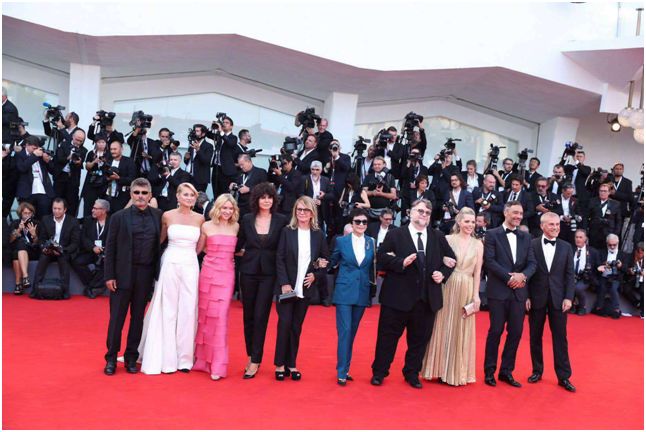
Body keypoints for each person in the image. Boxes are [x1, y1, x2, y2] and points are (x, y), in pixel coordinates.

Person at [371, 198, 456, 389]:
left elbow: (451, 259)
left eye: (427, 212)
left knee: (419, 340)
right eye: (420, 211)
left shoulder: (437, 236)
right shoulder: (395, 234)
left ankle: (412, 372)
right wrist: (401, 262)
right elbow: (381, 258)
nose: (424, 215)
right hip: (397, 298)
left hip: (427, 299)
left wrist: (442, 273)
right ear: (410, 212)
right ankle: (379, 372)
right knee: (387, 338)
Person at [138, 183, 204, 375]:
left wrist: (189, 256)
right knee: (168, 308)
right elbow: (159, 240)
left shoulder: (200, 218)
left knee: (188, 309)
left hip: (190, 264)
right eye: (186, 194)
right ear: (178, 196)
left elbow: (200, 246)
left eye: (192, 195)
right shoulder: (167, 215)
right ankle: (166, 358)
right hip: (170, 262)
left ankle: (184, 359)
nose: (189, 198)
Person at [103, 178, 163, 376]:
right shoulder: (118, 217)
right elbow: (110, 248)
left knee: (138, 319)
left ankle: (131, 357)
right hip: (121, 275)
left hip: (145, 275)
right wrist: (109, 275)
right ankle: (111, 358)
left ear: (150, 195)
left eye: (144, 193)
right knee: (116, 319)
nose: (140, 196)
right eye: (136, 192)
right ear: (131, 194)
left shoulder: (158, 216)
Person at [422, 207, 483, 386]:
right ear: (458, 222)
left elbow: (477, 272)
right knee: (442, 324)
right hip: (447, 285)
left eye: (473, 222)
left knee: (461, 327)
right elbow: (435, 259)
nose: (470, 225)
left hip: (466, 287)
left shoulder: (478, 244)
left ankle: (456, 372)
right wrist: (442, 261)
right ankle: (439, 369)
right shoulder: (448, 239)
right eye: (467, 221)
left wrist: (476, 296)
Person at [274, 196, 329, 381]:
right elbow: (279, 258)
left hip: (305, 288)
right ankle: (280, 364)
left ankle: (291, 364)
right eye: (299, 209)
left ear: (312, 213)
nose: (302, 213)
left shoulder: (319, 235)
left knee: (296, 326)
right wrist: (284, 283)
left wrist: (316, 275)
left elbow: (325, 261)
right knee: (284, 324)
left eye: (306, 210)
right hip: (287, 288)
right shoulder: (287, 231)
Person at [483, 200, 537, 388]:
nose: (518, 217)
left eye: (520, 213)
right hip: (498, 291)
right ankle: (489, 371)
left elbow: (532, 263)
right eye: (515, 213)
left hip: (519, 293)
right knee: (496, 331)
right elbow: (490, 261)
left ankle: (506, 371)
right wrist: (510, 278)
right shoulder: (492, 234)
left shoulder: (526, 237)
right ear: (506, 213)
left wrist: (522, 276)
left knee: (515, 333)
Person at [236, 183, 287, 379]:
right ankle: (251, 355)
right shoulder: (247, 219)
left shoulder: (281, 220)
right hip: (248, 272)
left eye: (269, 197)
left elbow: (285, 247)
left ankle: (256, 359)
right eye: (262, 197)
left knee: (260, 316)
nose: (266, 201)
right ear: (256, 200)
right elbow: (238, 243)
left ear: (274, 200)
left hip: (269, 274)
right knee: (248, 316)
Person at [526, 212, 576, 392]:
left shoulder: (566, 247)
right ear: (542, 226)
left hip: (559, 299)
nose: (555, 228)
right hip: (536, 297)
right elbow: (526, 272)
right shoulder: (531, 245)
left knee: (560, 338)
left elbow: (570, 275)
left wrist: (569, 297)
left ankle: (564, 376)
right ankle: (537, 370)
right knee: (535, 336)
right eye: (551, 224)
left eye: (557, 224)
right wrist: (526, 296)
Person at [193, 194, 240, 380]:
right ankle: (203, 361)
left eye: (230, 208)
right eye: (224, 208)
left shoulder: (236, 227)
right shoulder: (206, 226)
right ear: (217, 208)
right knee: (205, 317)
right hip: (208, 274)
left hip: (226, 275)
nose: (227, 211)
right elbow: (198, 250)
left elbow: (239, 250)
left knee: (220, 317)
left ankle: (218, 365)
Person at [329, 208, 375, 385]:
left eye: (364, 222)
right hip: (344, 292)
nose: (361, 224)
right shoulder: (341, 241)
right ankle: (341, 371)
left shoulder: (371, 242)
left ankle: (345, 369)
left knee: (352, 332)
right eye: (358, 221)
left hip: (362, 292)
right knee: (345, 331)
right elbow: (332, 261)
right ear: (352, 223)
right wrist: (321, 264)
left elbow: (372, 266)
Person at [30, 198, 80, 299]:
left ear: (65, 209)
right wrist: (44, 248)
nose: (56, 211)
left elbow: (75, 243)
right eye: (54, 208)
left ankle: (65, 292)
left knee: (64, 260)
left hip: (64, 250)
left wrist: (62, 250)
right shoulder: (46, 219)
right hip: (49, 249)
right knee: (42, 259)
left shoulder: (73, 221)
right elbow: (42, 238)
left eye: (59, 209)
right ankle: (35, 291)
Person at [71, 198, 110, 299]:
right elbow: (83, 238)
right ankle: (93, 285)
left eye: (96, 208)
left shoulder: (112, 222)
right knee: (76, 261)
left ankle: (91, 288)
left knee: (108, 265)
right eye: (93, 208)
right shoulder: (88, 220)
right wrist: (93, 247)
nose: (92, 210)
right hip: (91, 251)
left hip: (106, 253)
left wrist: (105, 249)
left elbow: (114, 239)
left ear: (104, 211)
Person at [15, 135, 55, 218]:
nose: (35, 150)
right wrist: (34, 156)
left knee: (44, 216)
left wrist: (47, 161)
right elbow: (22, 168)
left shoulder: (41, 154)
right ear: (27, 145)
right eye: (33, 148)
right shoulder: (20, 155)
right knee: (27, 217)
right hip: (27, 191)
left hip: (43, 190)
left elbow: (53, 171)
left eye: (37, 148)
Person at [53, 128, 87, 217]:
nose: (78, 142)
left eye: (81, 141)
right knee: (57, 199)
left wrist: (78, 162)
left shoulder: (84, 150)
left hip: (73, 178)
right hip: (61, 176)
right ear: (73, 136)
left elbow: (80, 164)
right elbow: (59, 159)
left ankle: (70, 222)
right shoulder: (63, 144)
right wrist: (69, 157)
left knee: (72, 202)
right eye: (77, 139)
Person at [592, 233, 627, 319]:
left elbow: (626, 269)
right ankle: (599, 308)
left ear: (618, 243)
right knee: (602, 287)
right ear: (607, 243)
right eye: (610, 245)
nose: (612, 247)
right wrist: (602, 265)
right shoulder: (601, 252)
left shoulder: (622, 254)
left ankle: (616, 309)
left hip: (616, 277)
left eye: (614, 245)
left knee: (613, 289)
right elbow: (597, 264)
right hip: (604, 276)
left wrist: (620, 266)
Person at [8, 202, 39, 295]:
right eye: (25, 213)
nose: (27, 215)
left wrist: (34, 235)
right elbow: (10, 240)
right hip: (19, 252)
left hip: (33, 251)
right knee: (17, 251)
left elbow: (38, 243)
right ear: (20, 214)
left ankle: (20, 282)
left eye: (29, 213)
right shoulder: (15, 223)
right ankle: (23, 280)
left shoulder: (36, 223)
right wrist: (19, 229)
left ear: (32, 214)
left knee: (20, 245)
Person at [571, 229, 600, 315]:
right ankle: (572, 305)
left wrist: (600, 268)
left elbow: (598, 265)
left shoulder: (593, 252)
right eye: (576, 237)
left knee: (578, 288)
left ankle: (582, 307)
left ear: (585, 239)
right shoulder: (570, 249)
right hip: (572, 276)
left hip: (586, 278)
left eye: (580, 237)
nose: (578, 239)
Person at [80, 133, 110, 218]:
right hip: (91, 181)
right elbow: (87, 167)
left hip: (103, 182)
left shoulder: (109, 154)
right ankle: (87, 222)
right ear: (96, 143)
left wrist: (105, 162)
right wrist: (94, 162)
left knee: (103, 204)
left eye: (103, 142)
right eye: (99, 142)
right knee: (88, 204)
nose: (101, 144)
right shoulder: (91, 153)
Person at [586, 183, 621, 250]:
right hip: (594, 233)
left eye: (605, 191)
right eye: (601, 191)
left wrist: (615, 234)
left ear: (609, 192)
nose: (602, 193)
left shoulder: (615, 204)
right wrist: (586, 231)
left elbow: (618, 221)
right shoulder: (592, 201)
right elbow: (586, 217)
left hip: (609, 233)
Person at [105, 139, 136, 213]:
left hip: (121, 197)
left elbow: (132, 180)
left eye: (115, 149)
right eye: (111, 149)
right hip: (107, 195)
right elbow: (103, 176)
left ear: (121, 149)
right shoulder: (108, 161)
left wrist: (118, 178)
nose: (112, 151)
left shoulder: (129, 161)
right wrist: (107, 178)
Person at [184, 124, 213, 192]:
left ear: (203, 134)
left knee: (198, 197)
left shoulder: (209, 146)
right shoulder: (191, 145)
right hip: (189, 177)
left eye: (197, 131)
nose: (195, 133)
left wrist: (198, 150)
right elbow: (188, 162)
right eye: (194, 131)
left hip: (200, 179)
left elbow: (206, 161)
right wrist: (186, 158)